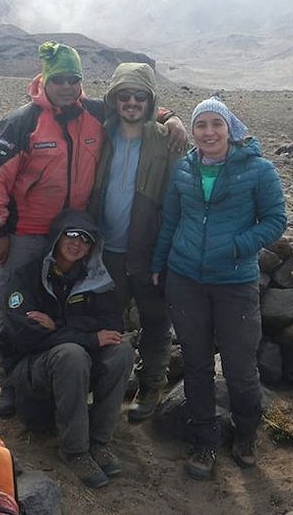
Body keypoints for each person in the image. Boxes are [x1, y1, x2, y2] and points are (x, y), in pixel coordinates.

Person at [0, 41, 185, 416]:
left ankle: (84, 383)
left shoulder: (94, 113)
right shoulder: (23, 121)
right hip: (29, 234)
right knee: (15, 307)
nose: (68, 86)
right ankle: (12, 384)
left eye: (74, 78)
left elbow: (139, 105)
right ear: (44, 79)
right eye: (59, 78)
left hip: (76, 239)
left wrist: (172, 118)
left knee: (87, 312)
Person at [150, 97, 287, 480]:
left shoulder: (259, 170)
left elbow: (276, 220)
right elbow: (170, 222)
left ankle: (245, 435)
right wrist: (160, 264)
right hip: (185, 280)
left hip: (235, 283)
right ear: (192, 132)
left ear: (230, 128)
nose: (209, 132)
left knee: (241, 368)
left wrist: (238, 246)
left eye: (216, 124)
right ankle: (204, 441)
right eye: (201, 125)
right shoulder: (183, 170)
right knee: (195, 365)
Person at [0, 209, 133, 488]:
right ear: (57, 238)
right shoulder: (27, 276)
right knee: (71, 353)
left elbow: (111, 326)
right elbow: (25, 335)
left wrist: (57, 326)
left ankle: (98, 441)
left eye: (85, 239)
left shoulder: (97, 281)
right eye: (71, 234)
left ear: (92, 247)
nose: (76, 243)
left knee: (122, 350)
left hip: (77, 367)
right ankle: (75, 450)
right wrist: (86, 335)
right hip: (32, 373)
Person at [87, 62, 180, 422]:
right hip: (105, 250)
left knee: (156, 321)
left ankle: (151, 387)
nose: (131, 102)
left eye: (139, 96)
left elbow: (177, 200)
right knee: (106, 321)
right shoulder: (100, 133)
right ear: (113, 99)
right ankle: (103, 388)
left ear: (150, 100)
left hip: (149, 251)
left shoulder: (166, 139)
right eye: (123, 95)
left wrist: (164, 254)